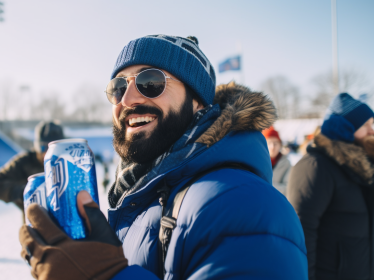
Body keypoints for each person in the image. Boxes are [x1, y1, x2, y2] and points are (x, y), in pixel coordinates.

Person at [19, 35, 307, 280]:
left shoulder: (243, 204)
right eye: (118, 87)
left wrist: (106, 274)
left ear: (197, 103)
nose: (128, 99)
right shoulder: (141, 198)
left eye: (151, 81)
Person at [288, 93, 374, 280]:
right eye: (366, 125)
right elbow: (301, 231)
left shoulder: (363, 167)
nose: (371, 131)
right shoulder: (316, 166)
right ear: (345, 127)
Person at [0, 121, 64, 212]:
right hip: (34, 221)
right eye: (44, 147)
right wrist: (22, 191)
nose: (48, 154)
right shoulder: (24, 162)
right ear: (37, 146)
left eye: (55, 148)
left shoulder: (68, 163)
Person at [262, 126, 292, 194]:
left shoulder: (287, 163)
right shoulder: (257, 163)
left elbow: (288, 188)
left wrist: (266, 186)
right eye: (269, 143)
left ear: (280, 144)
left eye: (275, 143)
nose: (272, 147)